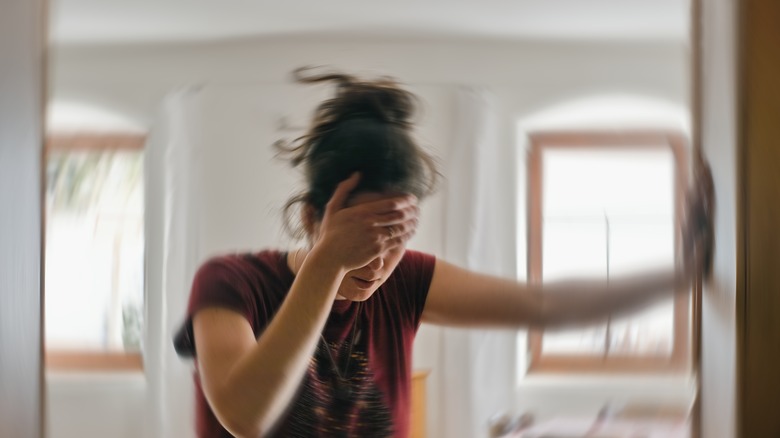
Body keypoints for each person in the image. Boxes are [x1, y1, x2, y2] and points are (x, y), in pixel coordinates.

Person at [173, 67, 712, 438]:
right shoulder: (230, 282)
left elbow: (545, 305)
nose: (375, 263)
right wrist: (329, 262)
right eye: (359, 237)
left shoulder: (406, 281)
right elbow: (245, 416)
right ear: (313, 218)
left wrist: (684, 272)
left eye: (393, 239)